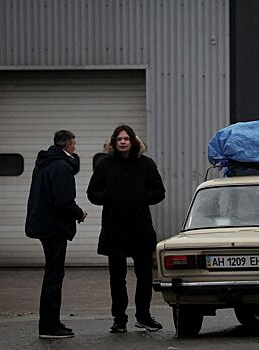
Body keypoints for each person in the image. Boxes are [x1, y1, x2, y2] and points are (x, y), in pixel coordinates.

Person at [87, 125, 166, 333]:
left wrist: (140, 198)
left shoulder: (146, 165)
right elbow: (92, 192)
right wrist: (109, 198)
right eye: (119, 139)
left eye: (126, 139)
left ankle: (143, 316)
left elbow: (159, 191)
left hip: (140, 227)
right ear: (114, 142)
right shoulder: (105, 165)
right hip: (114, 228)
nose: (123, 142)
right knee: (117, 277)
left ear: (133, 142)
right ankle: (119, 319)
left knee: (144, 275)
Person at [25, 130, 88, 339]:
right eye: (74, 145)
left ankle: (51, 321)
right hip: (54, 227)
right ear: (68, 145)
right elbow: (63, 201)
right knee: (54, 275)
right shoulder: (61, 167)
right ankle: (49, 326)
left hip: (44, 225)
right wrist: (79, 213)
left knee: (52, 274)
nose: (75, 148)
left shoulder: (44, 163)